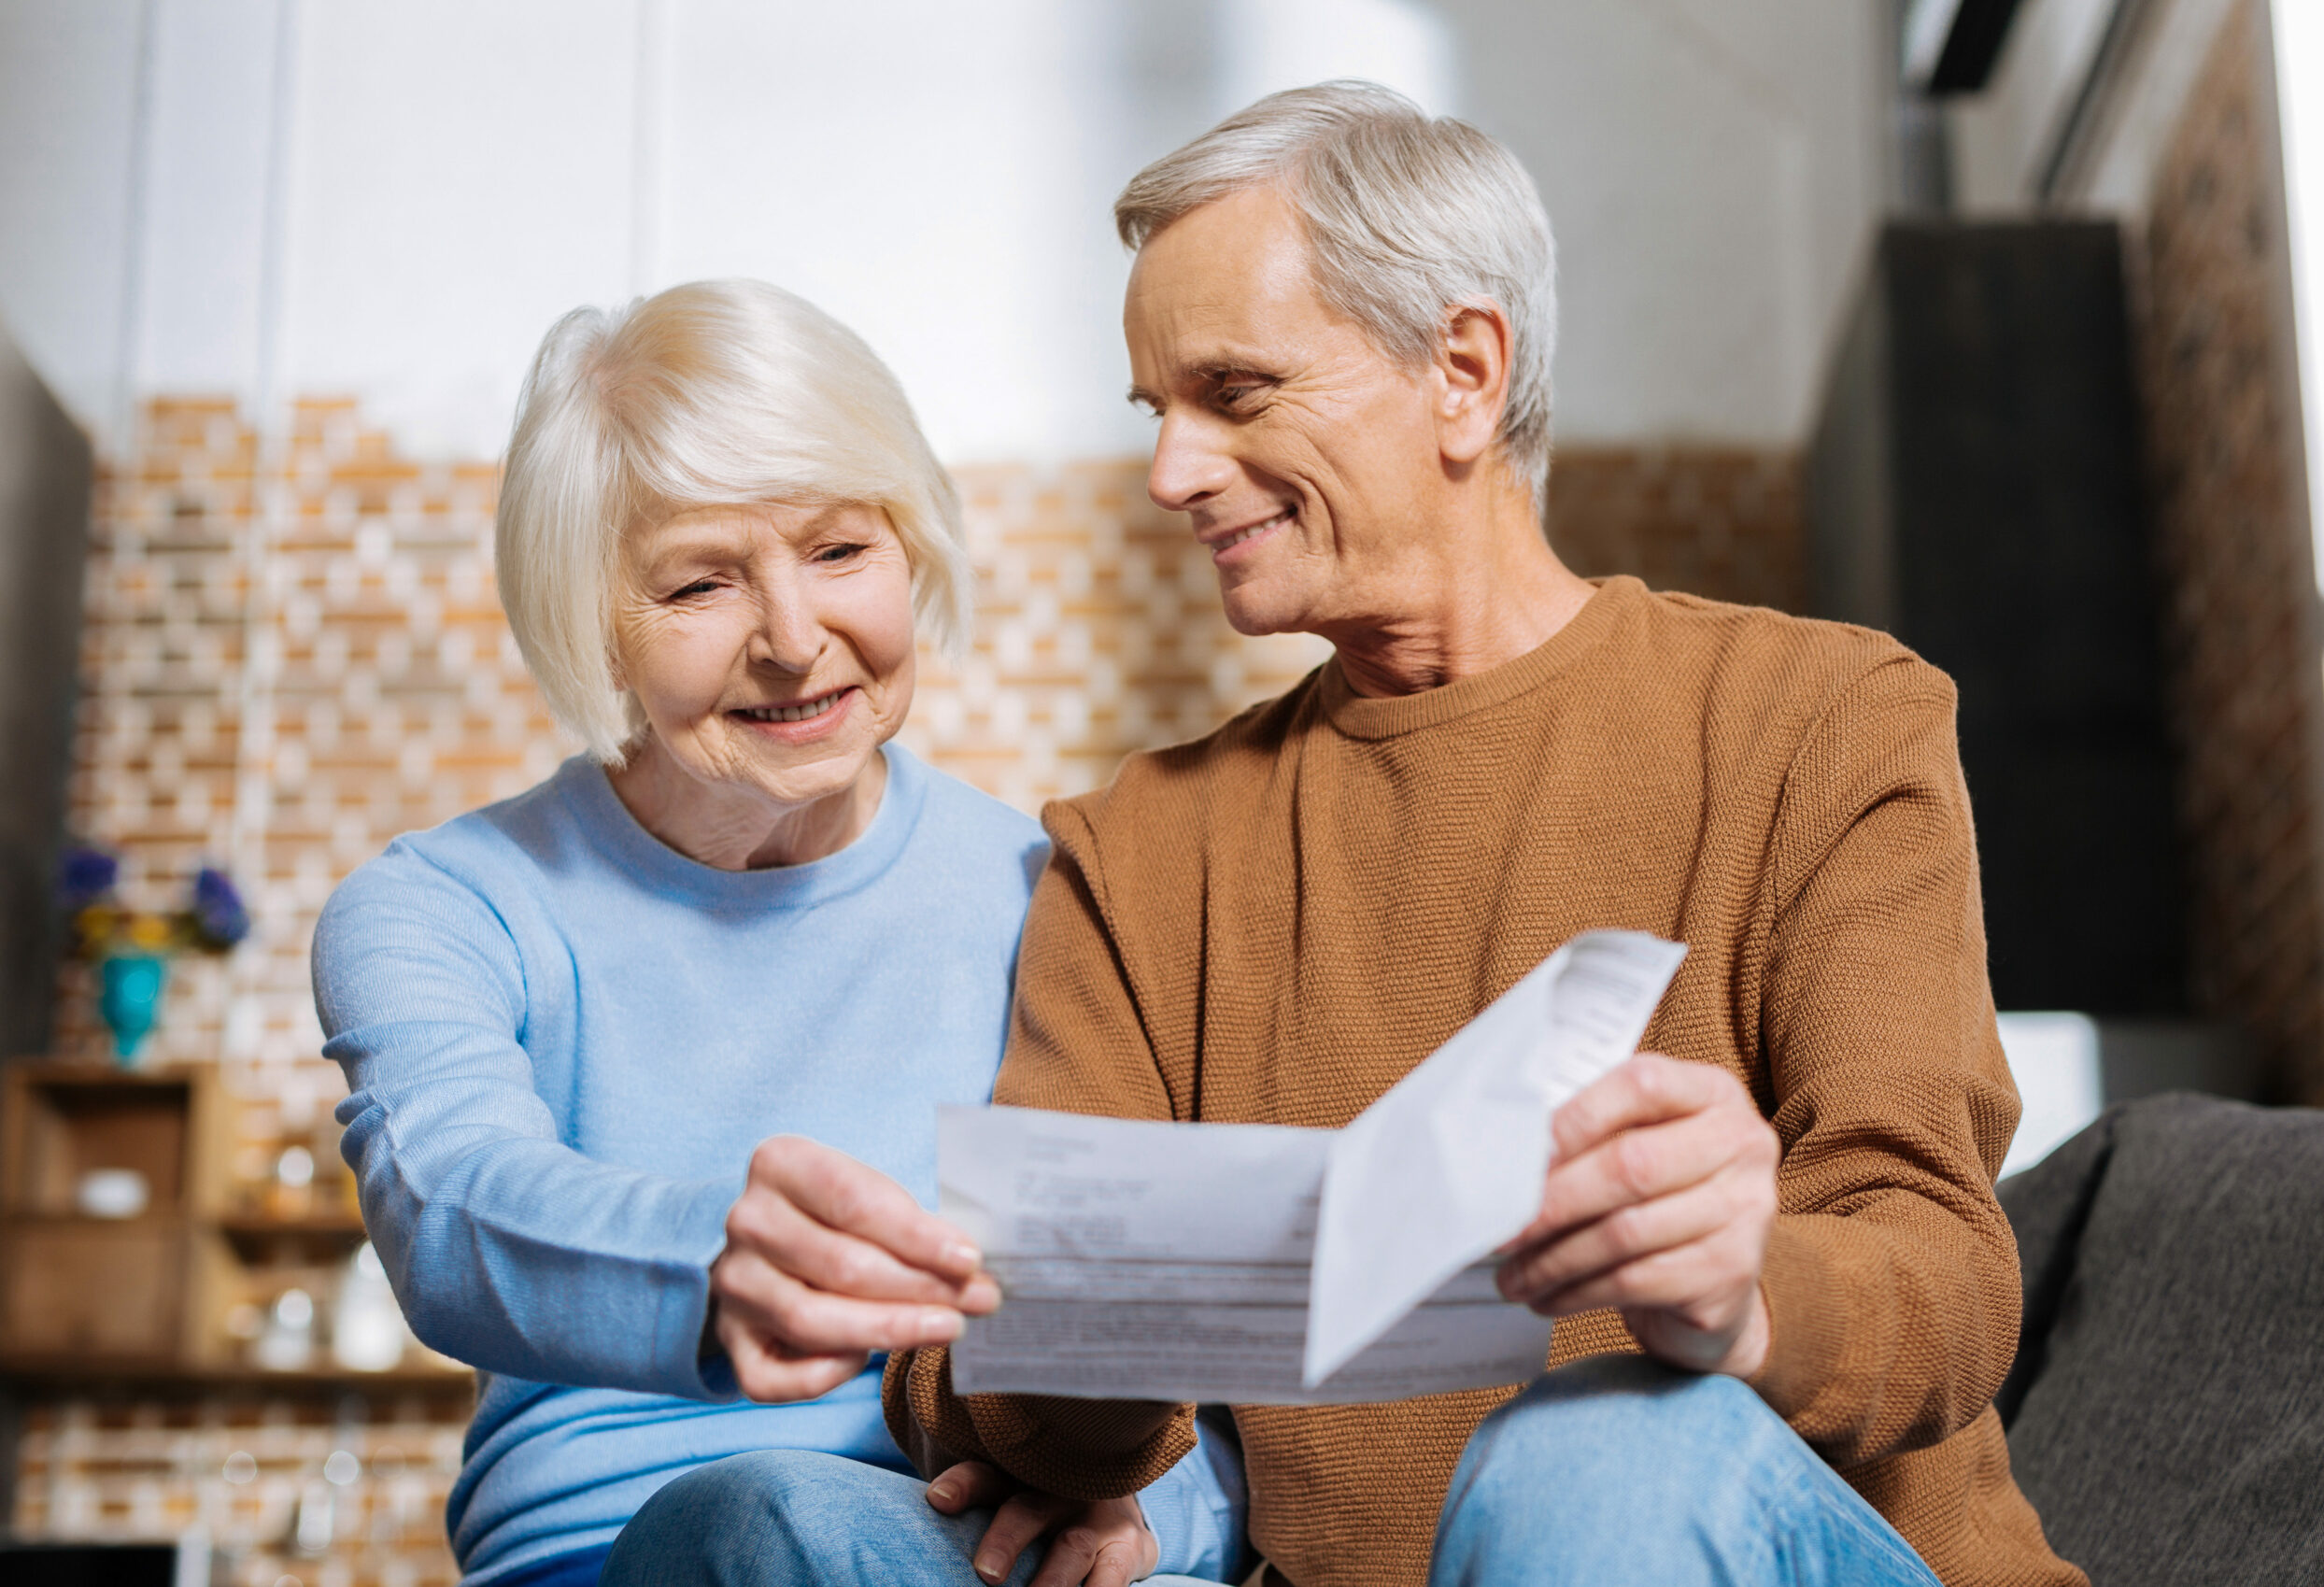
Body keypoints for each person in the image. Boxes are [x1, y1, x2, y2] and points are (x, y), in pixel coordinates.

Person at [610, 87, 2090, 1587]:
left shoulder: (1818, 717)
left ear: (1461, 373)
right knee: (747, 1528)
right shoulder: (1144, 847)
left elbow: (1945, 1275)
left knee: (1593, 1445)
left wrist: (1744, 1291)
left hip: (1754, 1540)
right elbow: (969, 1391)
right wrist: (1072, 1349)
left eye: (1234, 393)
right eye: (1157, 413)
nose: (1171, 473)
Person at [312, 280, 1244, 1587]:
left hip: (995, 1549)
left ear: (915, 553)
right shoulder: (446, 905)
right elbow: (450, 1207)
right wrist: (711, 1265)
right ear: (594, 623)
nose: (797, 643)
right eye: (698, 583)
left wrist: (1151, 1512)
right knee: (770, 1525)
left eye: (841, 552)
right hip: (629, 1547)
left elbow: (1184, 1320)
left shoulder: (1062, 889)